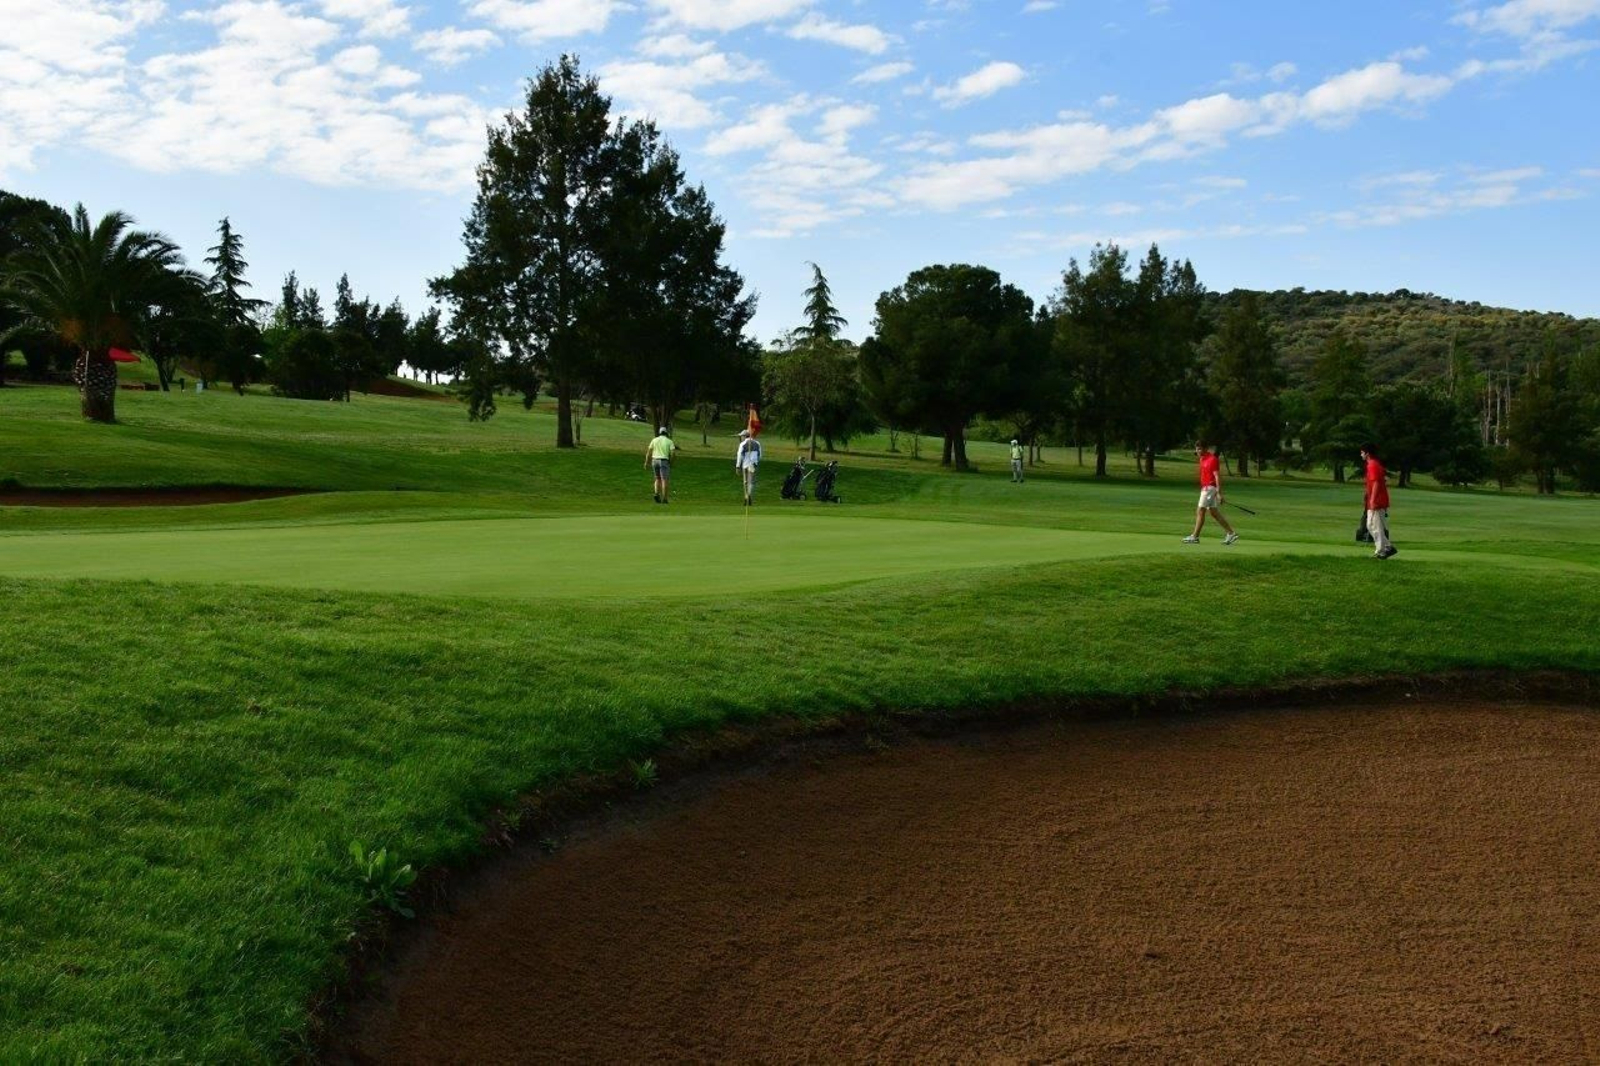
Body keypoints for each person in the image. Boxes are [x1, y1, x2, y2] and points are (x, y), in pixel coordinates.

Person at [1182, 441, 1239, 545]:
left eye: (1199, 449)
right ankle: (1231, 533)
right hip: (1206, 488)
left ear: (1205, 448)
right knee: (1213, 512)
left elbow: (1217, 476)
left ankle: (1195, 536)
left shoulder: (1212, 459)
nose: (1197, 451)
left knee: (1200, 511)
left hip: (1209, 488)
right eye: (1196, 449)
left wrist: (1219, 493)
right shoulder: (1202, 459)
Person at [1361, 443, 1397, 559]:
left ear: (1367, 453)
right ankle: (1388, 547)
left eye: (1362, 452)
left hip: (1377, 501)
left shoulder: (1372, 465)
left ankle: (1381, 550)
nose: (1361, 454)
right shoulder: (1373, 465)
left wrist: (1372, 499)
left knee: (1374, 526)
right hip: (1377, 500)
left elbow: (1376, 482)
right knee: (1371, 525)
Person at [645, 426, 676, 504]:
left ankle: (656, 494)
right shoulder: (669, 441)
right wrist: (671, 462)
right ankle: (665, 499)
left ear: (659, 432)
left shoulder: (654, 440)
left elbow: (649, 452)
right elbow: (673, 453)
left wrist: (646, 462)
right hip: (664, 460)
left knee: (657, 478)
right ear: (666, 433)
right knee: (664, 480)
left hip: (654, 460)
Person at [735, 428, 762, 506]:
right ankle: (748, 495)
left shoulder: (742, 444)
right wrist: (756, 462)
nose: (741, 438)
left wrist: (737, 466)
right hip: (753, 464)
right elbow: (760, 455)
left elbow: (739, 455)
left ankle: (746, 497)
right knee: (751, 481)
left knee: (745, 482)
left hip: (745, 465)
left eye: (741, 436)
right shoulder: (757, 443)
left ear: (744, 436)